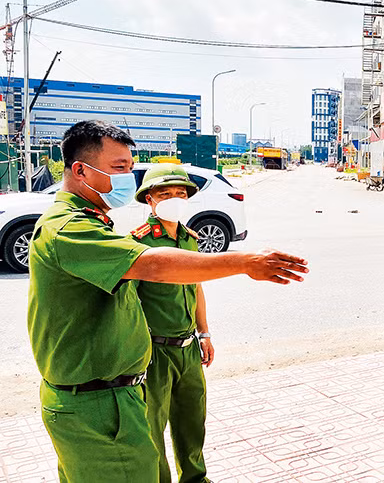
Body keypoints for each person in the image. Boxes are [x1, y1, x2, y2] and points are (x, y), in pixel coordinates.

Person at [28, 120, 308, 482]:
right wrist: (244, 262)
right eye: (119, 169)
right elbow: (154, 264)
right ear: (81, 170)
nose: (127, 178)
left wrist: (203, 333)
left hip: (116, 393)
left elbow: (189, 286)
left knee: (189, 427)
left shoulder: (96, 224)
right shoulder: (68, 228)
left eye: (130, 168)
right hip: (97, 404)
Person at [130, 163, 212, 482]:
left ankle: (195, 478)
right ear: (149, 199)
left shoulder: (189, 239)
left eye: (181, 193)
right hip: (155, 351)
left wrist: (204, 333)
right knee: (153, 425)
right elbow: (129, 302)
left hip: (188, 348)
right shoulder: (138, 243)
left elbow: (197, 287)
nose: (174, 198)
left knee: (192, 421)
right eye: (165, 193)